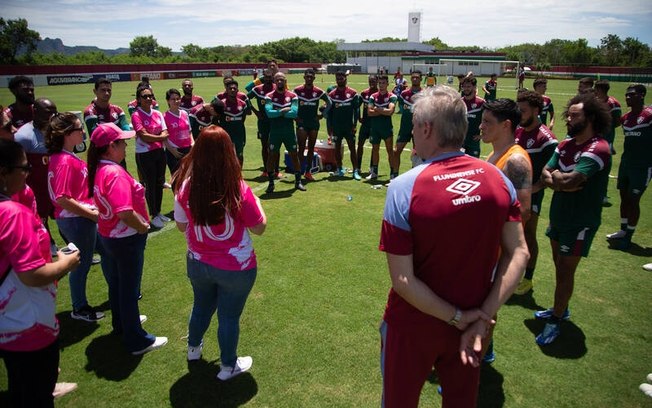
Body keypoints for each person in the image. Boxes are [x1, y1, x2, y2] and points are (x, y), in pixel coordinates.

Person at [379, 85, 529, 408]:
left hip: (414, 326)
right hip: (474, 325)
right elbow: (520, 252)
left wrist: (458, 317)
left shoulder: (403, 187)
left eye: (414, 125)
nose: (413, 133)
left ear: (426, 128)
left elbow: (403, 281)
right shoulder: (498, 179)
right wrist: (482, 317)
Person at [173, 125, 267, 380]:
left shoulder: (185, 185)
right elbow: (259, 228)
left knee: (201, 306)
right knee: (228, 315)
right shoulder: (236, 186)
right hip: (235, 267)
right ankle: (228, 365)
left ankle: (193, 348)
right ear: (228, 151)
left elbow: (181, 225)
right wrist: (257, 203)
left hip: (198, 262)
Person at [0, 139, 81, 408]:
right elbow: (32, 274)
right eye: (23, 168)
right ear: (3, 172)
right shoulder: (11, 213)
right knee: (36, 394)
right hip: (27, 323)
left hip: (10, 321)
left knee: (20, 386)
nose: (28, 174)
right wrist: (65, 264)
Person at [536, 93, 612, 345]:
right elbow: (546, 173)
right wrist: (558, 181)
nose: (568, 118)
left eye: (574, 115)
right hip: (558, 217)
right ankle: (561, 308)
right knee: (559, 266)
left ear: (590, 118)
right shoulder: (566, 144)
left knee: (566, 271)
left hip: (580, 222)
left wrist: (558, 180)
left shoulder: (598, 147)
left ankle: (556, 319)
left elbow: (571, 180)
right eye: (568, 114)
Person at [88, 123, 168, 355]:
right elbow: (124, 211)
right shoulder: (113, 172)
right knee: (129, 288)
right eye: (121, 142)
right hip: (124, 239)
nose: (125, 146)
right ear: (110, 147)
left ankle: (122, 323)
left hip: (109, 236)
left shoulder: (102, 168)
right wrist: (143, 226)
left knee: (118, 285)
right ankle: (136, 340)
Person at [479, 98, 532, 363]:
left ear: (506, 125)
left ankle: (474, 365)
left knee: (486, 304)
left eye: (488, 122)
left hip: (498, 248)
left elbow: (522, 210)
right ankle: (486, 351)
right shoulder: (495, 152)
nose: (481, 126)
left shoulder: (516, 161)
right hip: (488, 245)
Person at [45, 112, 104, 322]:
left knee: (105, 252)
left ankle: (119, 292)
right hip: (76, 219)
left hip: (77, 218)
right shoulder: (63, 160)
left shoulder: (63, 157)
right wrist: (90, 213)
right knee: (81, 263)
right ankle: (79, 307)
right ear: (67, 134)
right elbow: (62, 197)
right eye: (79, 129)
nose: (83, 133)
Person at [514, 90, 558, 295]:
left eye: (523, 110)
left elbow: (552, 173)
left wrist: (532, 190)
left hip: (531, 196)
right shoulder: (517, 130)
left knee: (529, 235)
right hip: (512, 192)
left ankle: (528, 279)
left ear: (536, 111)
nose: (519, 113)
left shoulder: (547, 140)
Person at [606, 84, 652, 250]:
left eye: (631, 95)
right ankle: (623, 230)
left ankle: (629, 237)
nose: (627, 98)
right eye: (626, 95)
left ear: (642, 95)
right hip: (626, 164)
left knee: (634, 200)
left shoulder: (648, 115)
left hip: (642, 166)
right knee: (624, 197)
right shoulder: (625, 118)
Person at [14, 98, 58, 255]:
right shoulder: (23, 137)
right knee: (41, 218)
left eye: (54, 112)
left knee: (64, 216)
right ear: (35, 112)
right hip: (37, 188)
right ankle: (49, 246)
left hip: (57, 185)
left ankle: (76, 247)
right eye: (48, 113)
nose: (52, 116)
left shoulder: (57, 130)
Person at [131, 83, 170, 229]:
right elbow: (144, 137)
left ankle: (158, 212)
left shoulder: (158, 113)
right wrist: (159, 137)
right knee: (150, 184)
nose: (148, 98)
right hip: (145, 154)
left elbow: (166, 132)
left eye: (150, 96)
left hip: (159, 152)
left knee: (159, 182)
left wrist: (155, 136)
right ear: (138, 99)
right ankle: (153, 215)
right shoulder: (136, 115)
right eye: (144, 96)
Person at [264, 72, 305, 193]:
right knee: (271, 155)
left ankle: (298, 182)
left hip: (289, 132)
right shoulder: (269, 96)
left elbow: (294, 113)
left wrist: (277, 111)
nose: (280, 82)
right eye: (277, 80)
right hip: (275, 131)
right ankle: (271, 183)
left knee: (294, 155)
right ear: (274, 81)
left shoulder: (293, 96)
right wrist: (283, 111)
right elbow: (269, 114)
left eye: (282, 79)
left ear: (285, 81)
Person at [293, 68, 331, 181]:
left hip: (314, 123)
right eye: (307, 76)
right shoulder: (297, 90)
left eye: (311, 76)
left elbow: (330, 103)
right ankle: (298, 171)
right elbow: (290, 102)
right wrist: (295, 116)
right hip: (302, 123)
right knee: (301, 148)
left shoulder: (319, 91)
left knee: (311, 148)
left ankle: (308, 172)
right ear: (304, 77)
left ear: (314, 78)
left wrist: (322, 115)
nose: (309, 78)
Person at [328, 70, 361, 180]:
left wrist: (355, 124)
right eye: (338, 78)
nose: (340, 80)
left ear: (345, 79)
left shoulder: (352, 93)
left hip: (349, 126)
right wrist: (330, 127)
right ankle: (339, 168)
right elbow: (330, 112)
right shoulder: (332, 94)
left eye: (341, 78)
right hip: (337, 126)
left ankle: (355, 170)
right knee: (337, 148)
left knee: (352, 148)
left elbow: (356, 110)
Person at [247, 68, 280, 178]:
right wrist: (256, 112)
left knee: (276, 145)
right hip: (263, 122)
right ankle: (266, 170)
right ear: (263, 77)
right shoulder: (257, 89)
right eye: (266, 77)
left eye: (270, 77)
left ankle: (276, 170)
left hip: (275, 121)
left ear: (273, 78)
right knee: (264, 145)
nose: (268, 79)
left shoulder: (277, 88)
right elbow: (246, 99)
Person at [367, 75, 398, 181]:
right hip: (375, 128)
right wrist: (382, 111)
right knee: (375, 149)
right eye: (380, 83)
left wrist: (377, 109)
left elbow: (390, 112)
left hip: (386, 128)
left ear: (387, 84)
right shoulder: (373, 96)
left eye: (383, 83)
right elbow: (369, 113)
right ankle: (374, 172)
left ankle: (393, 175)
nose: (381, 85)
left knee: (390, 150)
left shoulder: (392, 96)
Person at [217, 80, 251, 166]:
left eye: (234, 88)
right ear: (227, 90)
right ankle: (226, 176)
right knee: (225, 155)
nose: (232, 90)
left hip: (239, 133)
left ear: (237, 90)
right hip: (226, 133)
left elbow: (243, 117)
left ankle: (239, 176)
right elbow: (216, 118)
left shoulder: (243, 104)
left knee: (240, 154)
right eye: (230, 88)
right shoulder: (221, 104)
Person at [395, 71, 422, 175]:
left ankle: (415, 177)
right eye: (413, 77)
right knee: (396, 151)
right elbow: (401, 108)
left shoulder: (425, 94)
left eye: (417, 78)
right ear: (410, 79)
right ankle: (394, 175)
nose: (415, 79)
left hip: (419, 128)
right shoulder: (404, 94)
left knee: (419, 154)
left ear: (420, 79)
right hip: (405, 127)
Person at [163, 88, 194, 180]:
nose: (176, 101)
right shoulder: (164, 116)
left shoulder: (184, 113)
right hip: (174, 151)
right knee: (177, 179)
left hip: (188, 150)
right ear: (168, 101)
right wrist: (172, 151)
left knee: (189, 178)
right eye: (173, 99)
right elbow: (164, 137)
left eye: (178, 98)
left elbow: (189, 131)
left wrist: (193, 144)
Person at [357, 75, 378, 173]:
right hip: (365, 124)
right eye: (370, 81)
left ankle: (372, 168)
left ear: (377, 81)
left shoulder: (380, 94)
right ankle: (357, 167)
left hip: (375, 125)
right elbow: (357, 106)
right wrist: (358, 117)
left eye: (373, 81)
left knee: (374, 146)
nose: (372, 83)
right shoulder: (364, 93)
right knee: (360, 144)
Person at [461, 75, 485, 158]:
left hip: (473, 142)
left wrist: (483, 135)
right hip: (460, 142)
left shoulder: (481, 103)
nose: (466, 89)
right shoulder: (459, 102)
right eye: (464, 86)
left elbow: (490, 120)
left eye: (468, 86)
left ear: (474, 87)